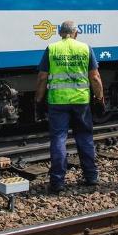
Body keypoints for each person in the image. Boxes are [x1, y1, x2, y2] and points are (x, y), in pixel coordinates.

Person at [35, 21, 104, 193]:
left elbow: (42, 77)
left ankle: (57, 182)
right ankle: (91, 176)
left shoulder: (52, 49)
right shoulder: (85, 48)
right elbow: (95, 77)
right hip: (80, 102)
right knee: (84, 137)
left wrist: (38, 99)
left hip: (58, 102)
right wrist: (100, 98)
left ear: (60, 33)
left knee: (58, 139)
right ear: (76, 33)